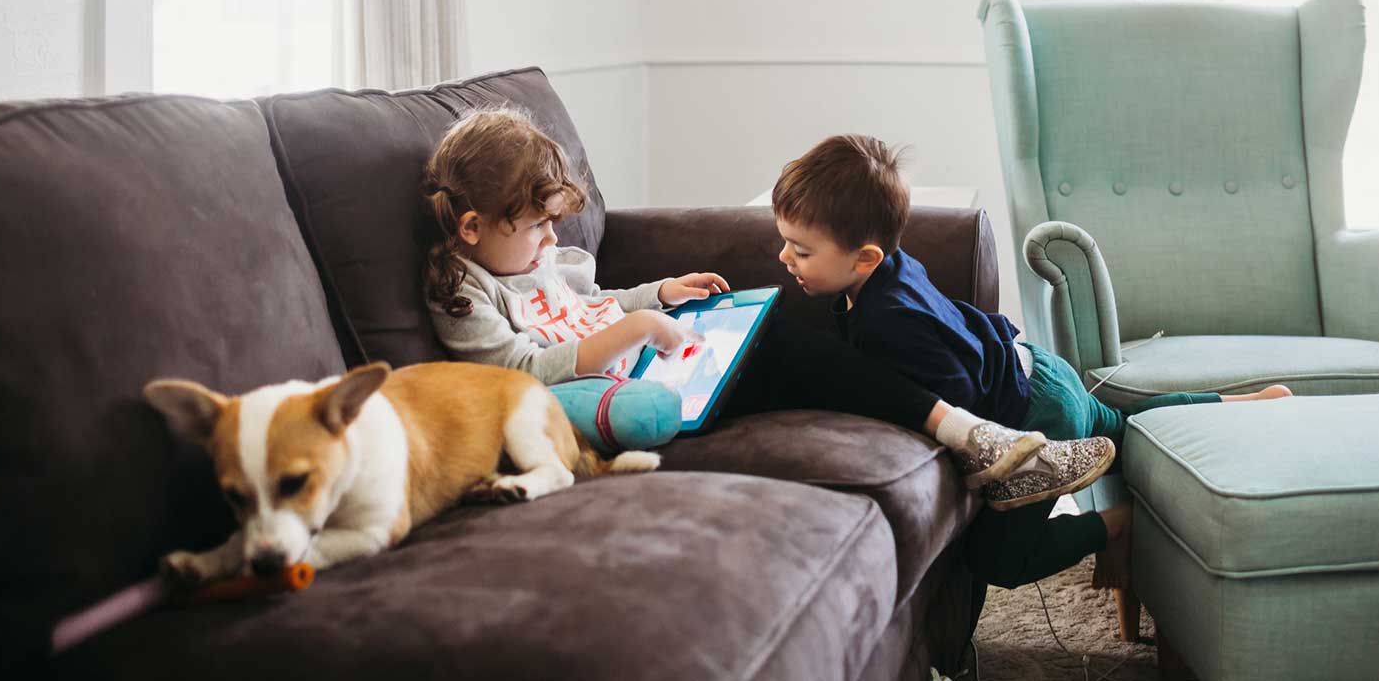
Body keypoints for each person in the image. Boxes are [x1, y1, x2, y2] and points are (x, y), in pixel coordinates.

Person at [420, 108, 1116, 509]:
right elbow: (522, 373)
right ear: (474, 226)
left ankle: (968, 434)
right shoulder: (465, 294)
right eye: (536, 225)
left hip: (655, 353)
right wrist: (634, 329)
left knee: (778, 336)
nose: (551, 239)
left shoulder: (535, 263)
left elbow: (592, 305)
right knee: (786, 348)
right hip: (620, 397)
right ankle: (969, 435)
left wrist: (653, 295)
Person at [767, 134, 1292, 588]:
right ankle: (1233, 403)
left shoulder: (889, 320)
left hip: (1037, 411)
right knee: (1130, 430)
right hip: (1038, 368)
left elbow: (963, 396)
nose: (785, 259)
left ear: (865, 258)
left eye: (801, 250)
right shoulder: (887, 272)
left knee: (997, 560)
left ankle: (1114, 524)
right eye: (785, 243)